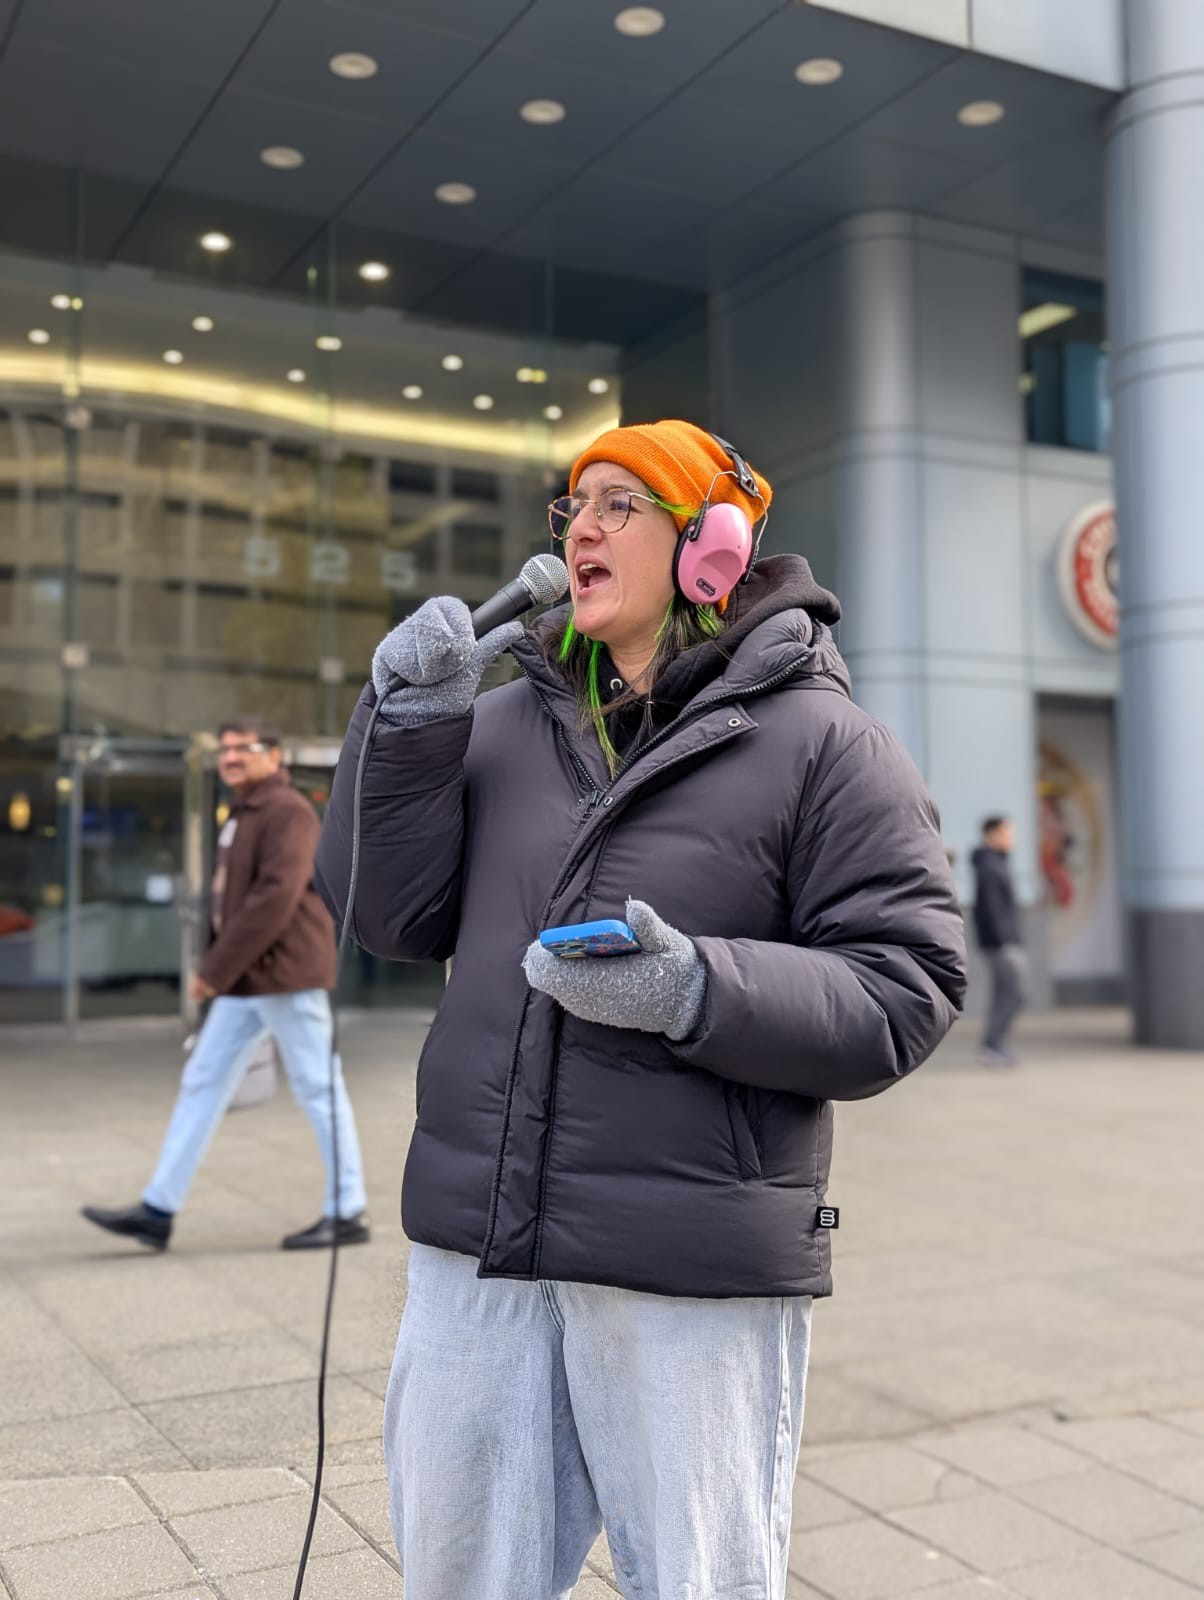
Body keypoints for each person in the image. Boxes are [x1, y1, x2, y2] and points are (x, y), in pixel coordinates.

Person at [315, 420, 966, 1599]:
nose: (582, 529)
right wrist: (401, 732)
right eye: (572, 508)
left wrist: (698, 989)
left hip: (685, 1263)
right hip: (481, 1251)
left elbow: (906, 984)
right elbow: (392, 917)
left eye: (621, 503)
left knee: (701, 1582)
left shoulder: (824, 744)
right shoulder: (499, 721)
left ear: (711, 546)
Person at [82, 717, 368, 1252]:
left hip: (284, 976)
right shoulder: (245, 811)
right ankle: (158, 1209)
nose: (231, 757)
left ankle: (347, 1210)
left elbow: (273, 899)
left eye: (244, 748)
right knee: (202, 1082)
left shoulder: (286, 812)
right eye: (226, 749)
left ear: (274, 756)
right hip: (250, 979)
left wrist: (213, 969)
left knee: (317, 1088)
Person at [972, 815, 1029, 1066]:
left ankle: (993, 1045)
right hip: (1001, 944)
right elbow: (991, 909)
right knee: (1015, 993)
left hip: (1002, 942)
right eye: (1007, 832)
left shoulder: (995, 863)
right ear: (992, 834)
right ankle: (992, 1044)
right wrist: (1005, 941)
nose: (1012, 838)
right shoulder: (989, 867)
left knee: (1006, 993)